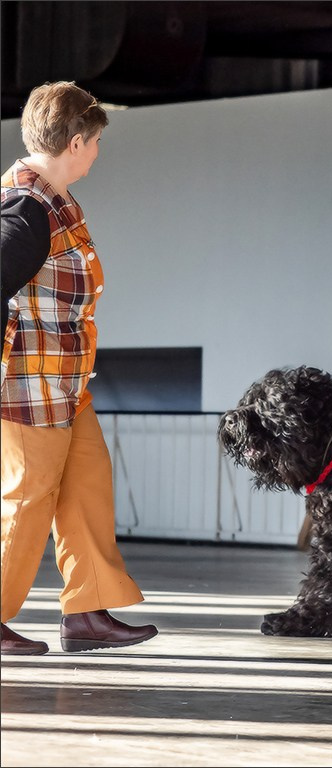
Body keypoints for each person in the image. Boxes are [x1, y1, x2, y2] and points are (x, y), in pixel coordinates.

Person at [1, 82, 157, 655]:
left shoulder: (52, 199)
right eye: (95, 142)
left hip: (66, 385)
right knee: (27, 498)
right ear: (75, 143)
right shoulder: (25, 207)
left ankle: (86, 612)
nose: (96, 152)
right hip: (30, 388)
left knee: (87, 484)